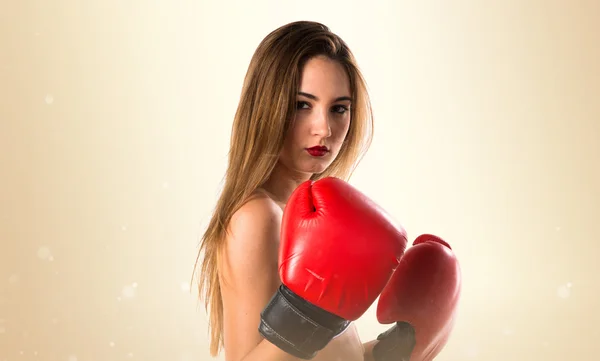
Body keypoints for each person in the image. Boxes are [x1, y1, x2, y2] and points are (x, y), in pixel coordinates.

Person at [192, 20, 462, 361]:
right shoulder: (258, 217)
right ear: (266, 108)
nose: (324, 128)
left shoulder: (307, 219)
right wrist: (312, 314)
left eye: (339, 108)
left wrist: (396, 347)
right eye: (302, 104)